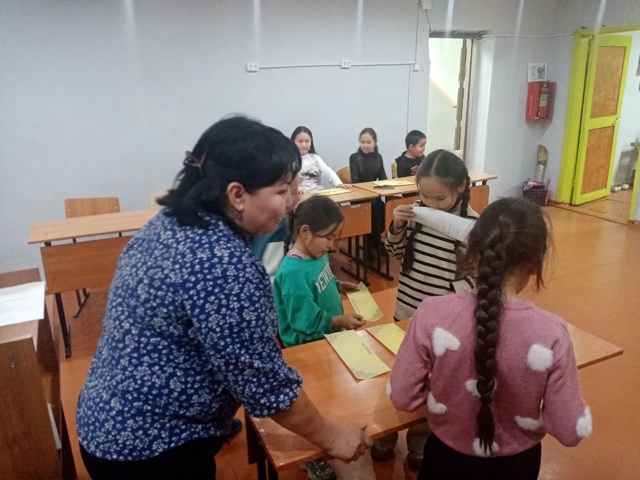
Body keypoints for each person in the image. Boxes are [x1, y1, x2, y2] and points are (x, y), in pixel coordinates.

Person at [75, 116, 371, 479]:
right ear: (236, 195)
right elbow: (265, 385)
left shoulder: (173, 220)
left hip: (107, 417)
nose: (294, 201)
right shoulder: (223, 264)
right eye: (282, 191)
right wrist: (333, 436)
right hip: (151, 448)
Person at [390, 198, 592, 479]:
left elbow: (402, 396)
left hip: (445, 459)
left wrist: (447, 400)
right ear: (536, 263)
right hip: (517, 467)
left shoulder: (431, 314)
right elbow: (569, 430)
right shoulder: (551, 333)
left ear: (473, 252)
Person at [377, 149, 478, 468]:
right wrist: (396, 225)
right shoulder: (415, 214)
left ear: (460, 187)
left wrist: (455, 296)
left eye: (440, 198)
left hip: (445, 320)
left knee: (436, 377)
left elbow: (476, 277)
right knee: (400, 370)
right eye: (424, 196)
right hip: (408, 309)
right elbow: (394, 252)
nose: (431, 205)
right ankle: (386, 430)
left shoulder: (474, 225)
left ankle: (420, 432)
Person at [274, 195, 365, 480]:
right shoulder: (293, 273)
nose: (333, 245)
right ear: (305, 232)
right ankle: (311, 457)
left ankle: (326, 440)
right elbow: (303, 322)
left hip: (326, 340)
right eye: (329, 237)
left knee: (330, 398)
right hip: (306, 349)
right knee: (314, 405)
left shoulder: (317, 254)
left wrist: (339, 284)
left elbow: (321, 279)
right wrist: (339, 320)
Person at [250, 176, 302, 284]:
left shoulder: (257, 222)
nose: (298, 198)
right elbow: (272, 277)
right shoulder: (278, 228)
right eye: (294, 192)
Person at [348, 127, 387, 265]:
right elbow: (355, 181)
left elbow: (383, 178)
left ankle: (373, 242)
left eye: (368, 142)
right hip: (359, 198)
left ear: (375, 142)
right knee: (374, 207)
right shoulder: (354, 158)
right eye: (362, 142)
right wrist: (371, 190)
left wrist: (388, 186)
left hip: (374, 197)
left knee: (384, 206)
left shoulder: (378, 158)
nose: (365, 145)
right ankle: (374, 243)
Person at [291, 126, 351, 192]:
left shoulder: (315, 157)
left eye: (307, 141)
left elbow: (326, 171)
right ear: (293, 141)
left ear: (311, 142)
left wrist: (338, 184)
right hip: (298, 194)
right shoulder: (289, 159)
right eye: (300, 141)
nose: (304, 145)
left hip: (318, 192)